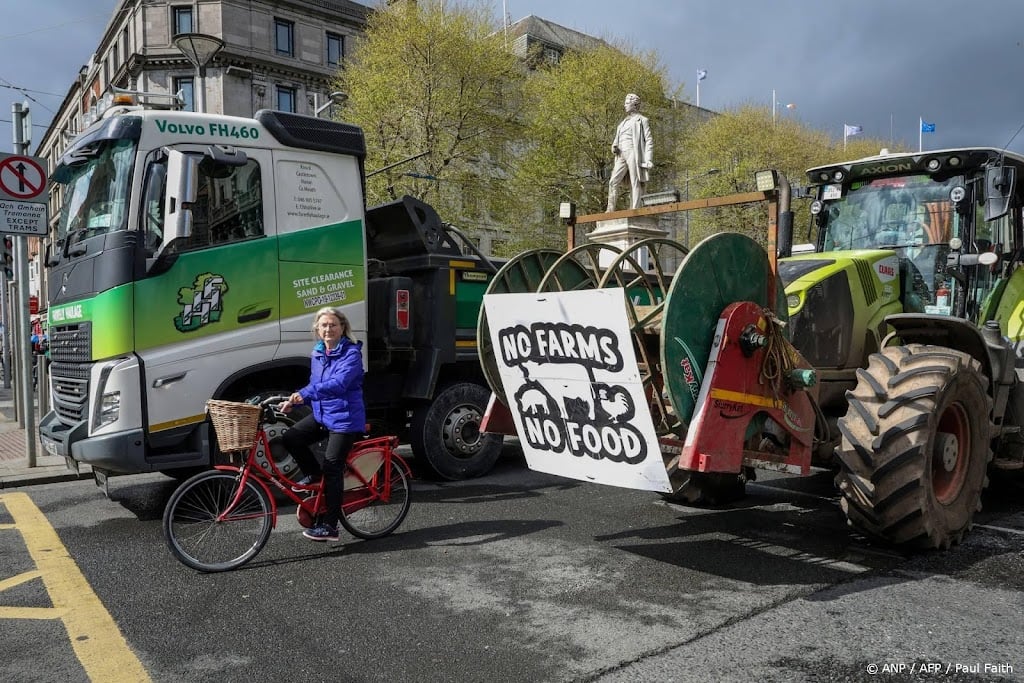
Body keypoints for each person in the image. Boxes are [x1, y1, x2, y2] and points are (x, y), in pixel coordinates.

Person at [280, 307, 366, 542]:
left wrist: (302, 395)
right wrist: (293, 403)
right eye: (324, 325)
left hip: (345, 419)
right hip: (323, 415)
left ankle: (330, 525)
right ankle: (313, 475)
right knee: (291, 438)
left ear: (342, 328)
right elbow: (316, 386)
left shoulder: (351, 354)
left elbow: (337, 385)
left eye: (333, 325)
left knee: (333, 468)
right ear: (317, 329)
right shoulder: (318, 353)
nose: (328, 329)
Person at [606, 93, 654, 212]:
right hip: (621, 154)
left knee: (635, 181)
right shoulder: (622, 123)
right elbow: (615, 141)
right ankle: (610, 209)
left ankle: (635, 208)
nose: (625, 105)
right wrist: (614, 148)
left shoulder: (642, 120)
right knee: (613, 181)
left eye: (627, 103)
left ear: (635, 105)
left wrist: (648, 159)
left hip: (634, 152)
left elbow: (649, 140)